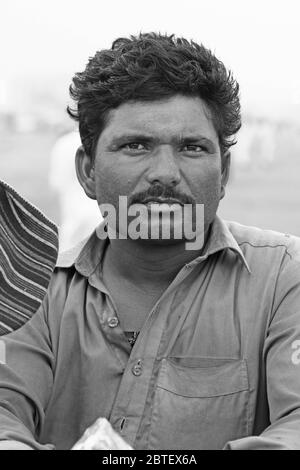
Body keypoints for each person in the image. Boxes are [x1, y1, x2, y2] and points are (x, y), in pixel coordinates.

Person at [0, 33, 300, 450]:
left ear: (224, 173)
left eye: (192, 148)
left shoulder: (285, 276)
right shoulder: (32, 290)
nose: (165, 173)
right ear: (87, 171)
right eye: (136, 145)